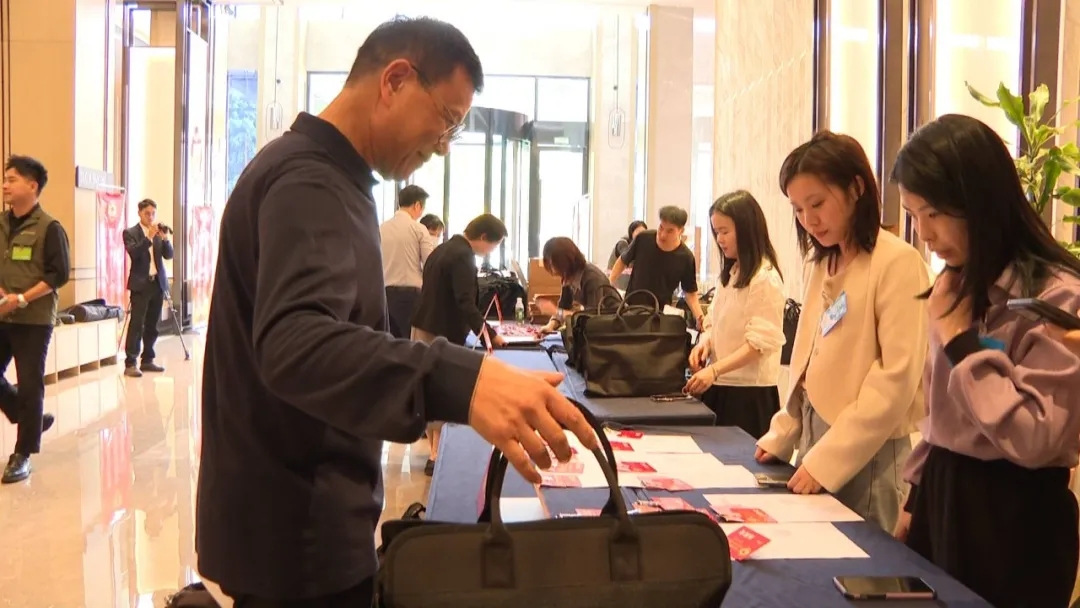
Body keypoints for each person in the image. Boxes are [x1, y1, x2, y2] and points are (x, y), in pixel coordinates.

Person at [196, 18, 596, 608]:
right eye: (447, 120)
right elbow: (297, 344)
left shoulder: (329, 178)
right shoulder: (310, 181)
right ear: (396, 80)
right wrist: (462, 380)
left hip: (298, 523)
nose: (444, 144)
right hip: (297, 534)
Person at [889, 114, 1080, 607]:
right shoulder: (954, 286)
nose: (924, 233)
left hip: (1016, 516)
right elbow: (938, 416)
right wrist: (916, 497)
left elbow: (1035, 437)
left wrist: (960, 341)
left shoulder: (1058, 297)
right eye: (912, 215)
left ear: (980, 200)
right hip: (942, 495)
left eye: (933, 213)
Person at [754, 131, 929, 532]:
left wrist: (829, 460)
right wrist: (785, 431)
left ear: (856, 188)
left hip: (869, 451)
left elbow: (895, 380)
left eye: (817, 204)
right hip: (816, 442)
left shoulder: (897, 262)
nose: (809, 220)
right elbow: (807, 358)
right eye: (798, 209)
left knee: (858, 560)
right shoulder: (822, 263)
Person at [412, 213, 508, 475]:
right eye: (494, 245)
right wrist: (489, 334)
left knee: (429, 389)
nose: (491, 251)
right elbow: (465, 302)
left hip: (424, 325)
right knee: (441, 389)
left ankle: (435, 451)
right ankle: (436, 456)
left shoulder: (443, 248)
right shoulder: (463, 256)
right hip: (440, 330)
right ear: (484, 237)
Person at [684, 191, 786, 439]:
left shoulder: (765, 278)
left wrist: (715, 371)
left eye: (725, 231)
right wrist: (705, 343)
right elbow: (715, 323)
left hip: (749, 394)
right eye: (716, 232)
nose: (719, 239)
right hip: (721, 385)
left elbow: (758, 346)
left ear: (747, 229)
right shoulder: (731, 274)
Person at [0, 155, 67, 484]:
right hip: (2, 314)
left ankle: (22, 453)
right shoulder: (1, 223)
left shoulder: (49, 228)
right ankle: (28, 417)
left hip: (34, 319)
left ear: (32, 185)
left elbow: (58, 274)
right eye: (5, 179)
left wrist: (22, 298)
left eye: (11, 179)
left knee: (29, 383)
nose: (5, 185)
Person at [608, 206, 704, 327]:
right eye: (661, 228)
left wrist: (699, 317)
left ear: (681, 231)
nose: (663, 235)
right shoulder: (643, 238)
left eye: (670, 231)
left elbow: (690, 293)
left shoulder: (686, 257)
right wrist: (609, 282)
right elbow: (623, 260)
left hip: (658, 315)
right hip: (630, 309)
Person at [122, 198, 174, 377]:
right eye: (147, 213)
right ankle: (130, 362)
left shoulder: (158, 232)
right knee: (137, 324)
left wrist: (165, 239)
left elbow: (169, 255)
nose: (150, 217)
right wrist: (148, 238)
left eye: (153, 214)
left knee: (152, 324)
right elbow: (134, 253)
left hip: (157, 284)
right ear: (139, 213)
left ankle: (148, 360)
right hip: (140, 285)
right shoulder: (130, 233)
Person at [380, 184, 434, 339]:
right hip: (411, 295)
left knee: (390, 341)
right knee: (409, 342)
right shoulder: (419, 229)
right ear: (417, 205)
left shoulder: (381, 228)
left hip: (384, 294)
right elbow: (430, 263)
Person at [538, 237, 612, 334]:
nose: (553, 271)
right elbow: (564, 306)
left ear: (563, 261)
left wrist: (555, 311)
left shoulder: (592, 278)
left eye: (553, 264)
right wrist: (550, 326)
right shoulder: (568, 276)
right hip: (597, 328)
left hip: (612, 327)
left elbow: (592, 318)